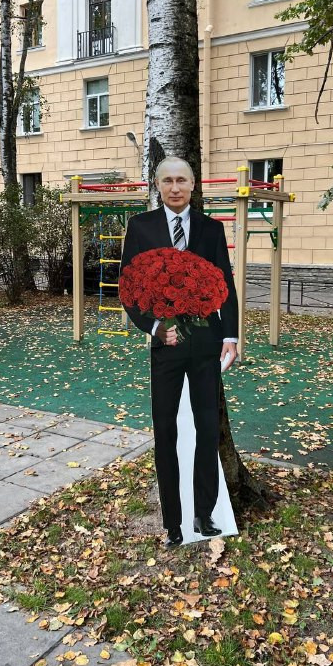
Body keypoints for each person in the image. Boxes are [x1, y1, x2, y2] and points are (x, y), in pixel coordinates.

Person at [120, 157, 238, 548]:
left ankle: (204, 513)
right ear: (158, 185)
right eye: (168, 180)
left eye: (182, 180)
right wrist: (155, 327)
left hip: (207, 346)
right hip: (166, 348)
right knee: (165, 431)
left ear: (192, 185)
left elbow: (226, 286)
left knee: (207, 429)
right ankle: (173, 521)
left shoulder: (211, 229)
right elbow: (128, 288)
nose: (175, 187)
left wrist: (231, 336)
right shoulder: (141, 227)